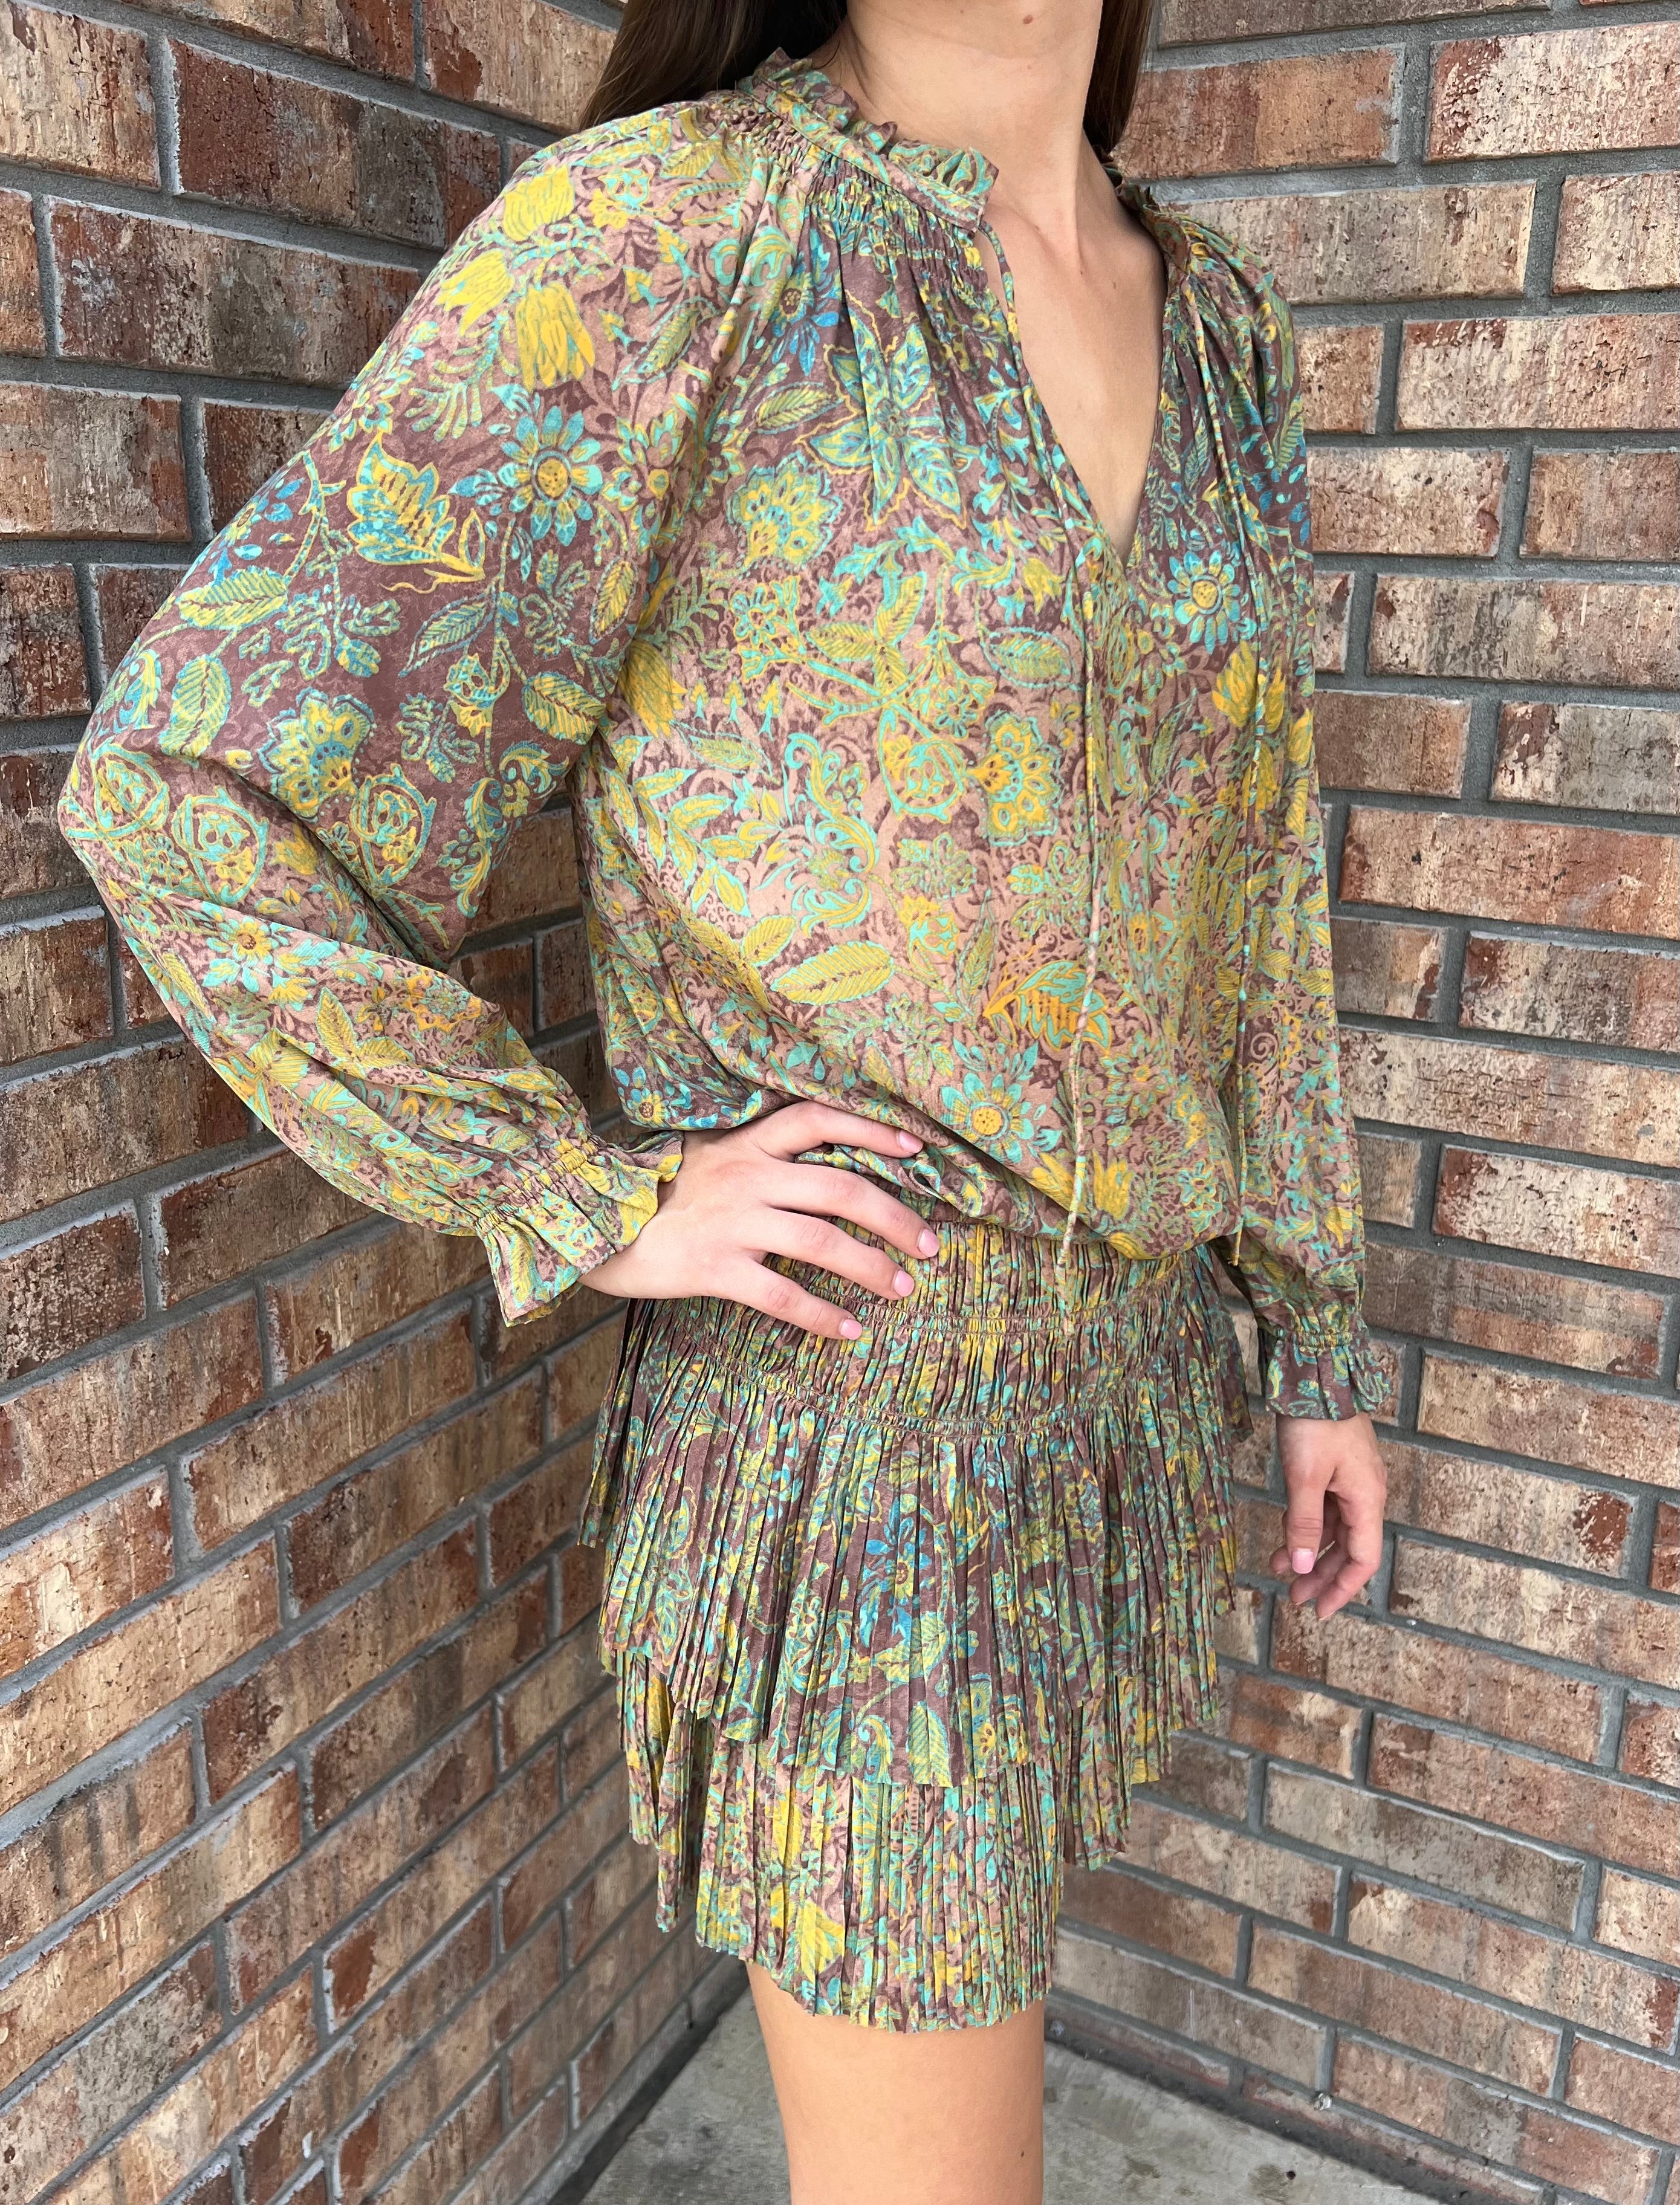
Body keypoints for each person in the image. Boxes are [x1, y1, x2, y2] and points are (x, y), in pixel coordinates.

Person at [59, 0, 1389, 2196]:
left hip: (1131, 1403)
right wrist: (581, 1190)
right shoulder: (672, 239)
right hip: (860, 1453)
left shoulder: (1220, 323)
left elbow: (1253, 877)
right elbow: (196, 796)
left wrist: (1307, 1324)